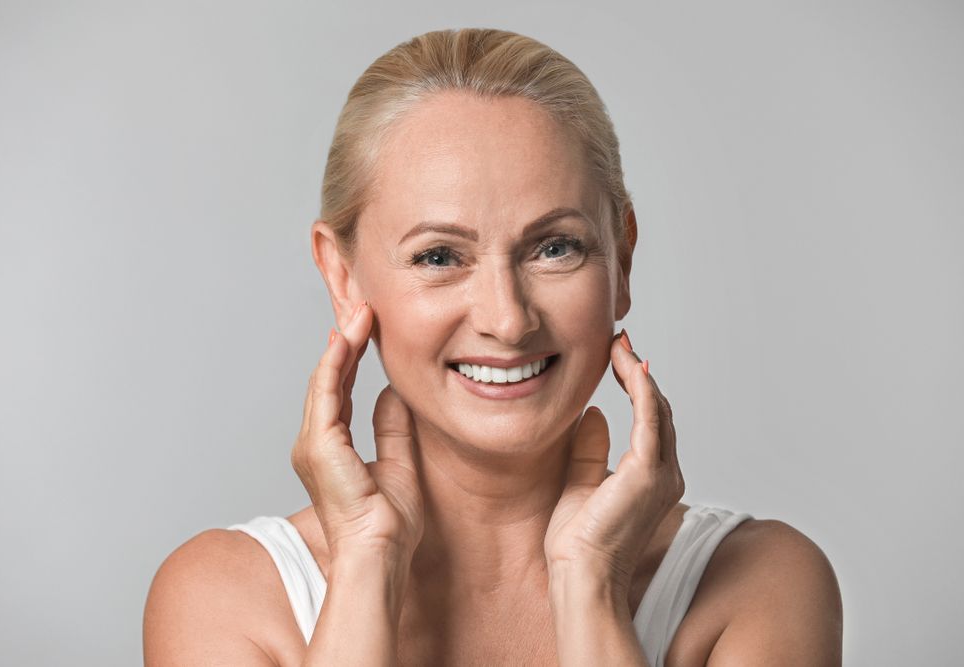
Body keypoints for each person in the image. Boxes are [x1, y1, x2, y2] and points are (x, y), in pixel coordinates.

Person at [143, 28, 842, 666]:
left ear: (622, 261)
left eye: (555, 247)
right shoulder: (223, 599)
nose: (507, 320)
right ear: (342, 274)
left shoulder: (761, 585)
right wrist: (366, 564)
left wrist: (589, 582)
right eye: (440, 255)